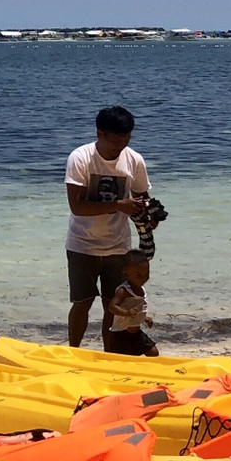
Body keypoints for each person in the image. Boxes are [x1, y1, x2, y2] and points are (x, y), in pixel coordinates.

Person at [64, 105, 148, 347]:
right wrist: (119, 205)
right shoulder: (80, 158)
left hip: (118, 246)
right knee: (82, 302)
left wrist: (148, 216)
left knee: (114, 303)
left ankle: (110, 354)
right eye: (116, 139)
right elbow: (77, 207)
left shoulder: (134, 160)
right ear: (100, 133)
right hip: (82, 244)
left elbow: (141, 200)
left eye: (126, 138)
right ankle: (74, 351)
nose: (121, 145)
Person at [104, 248, 159, 357]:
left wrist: (144, 317)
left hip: (136, 333)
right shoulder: (123, 291)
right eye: (138, 275)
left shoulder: (141, 289)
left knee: (153, 353)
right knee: (120, 359)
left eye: (146, 274)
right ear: (126, 274)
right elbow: (112, 307)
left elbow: (138, 307)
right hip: (121, 334)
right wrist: (126, 313)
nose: (143, 278)